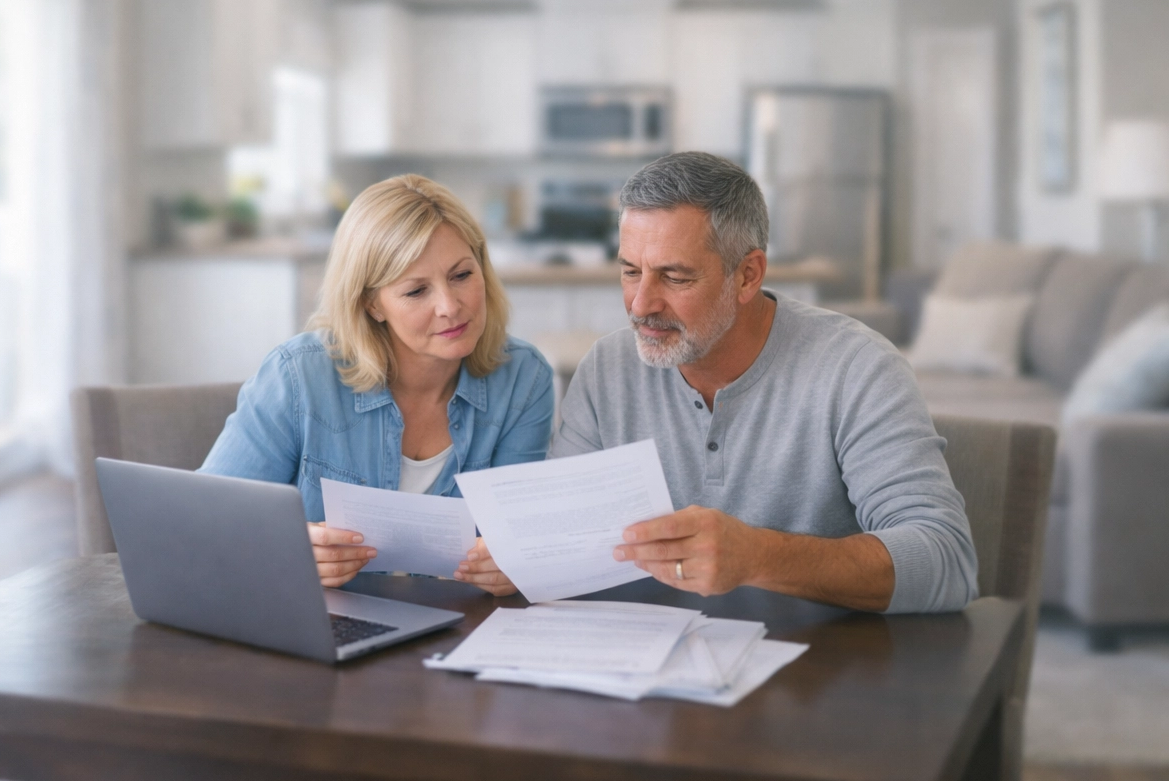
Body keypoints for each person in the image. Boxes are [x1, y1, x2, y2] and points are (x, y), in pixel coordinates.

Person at [552, 152, 977, 613]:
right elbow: (556, 537)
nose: (640, 304)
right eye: (631, 272)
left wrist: (758, 556)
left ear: (747, 275)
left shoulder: (857, 368)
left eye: (674, 277)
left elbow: (946, 562)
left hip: (819, 655)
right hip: (641, 646)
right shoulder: (606, 368)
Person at [200, 174, 553, 596]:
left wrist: (517, 563)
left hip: (460, 624)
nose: (449, 306)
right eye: (416, 291)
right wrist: (285, 550)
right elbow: (207, 524)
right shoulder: (297, 377)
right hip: (324, 621)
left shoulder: (523, 378)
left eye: (461, 275)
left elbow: (520, 536)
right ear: (372, 303)